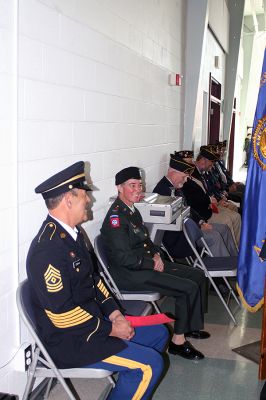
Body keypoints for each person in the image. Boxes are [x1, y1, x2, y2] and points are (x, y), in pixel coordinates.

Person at [26, 161, 169, 400]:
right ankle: (136, 377)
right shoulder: (48, 248)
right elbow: (62, 314)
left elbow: (95, 280)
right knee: (150, 364)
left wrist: (115, 313)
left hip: (93, 325)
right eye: (84, 195)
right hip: (71, 340)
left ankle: (130, 388)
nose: (90, 201)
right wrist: (111, 328)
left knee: (159, 333)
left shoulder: (74, 234)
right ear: (68, 200)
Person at [101, 166, 211, 361]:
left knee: (197, 275)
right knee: (187, 288)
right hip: (130, 274)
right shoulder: (116, 218)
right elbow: (124, 258)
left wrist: (157, 255)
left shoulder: (131, 210)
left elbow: (146, 241)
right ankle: (178, 342)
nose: (138, 189)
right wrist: (151, 263)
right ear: (119, 188)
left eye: (140, 185)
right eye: (132, 185)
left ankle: (189, 326)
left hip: (144, 264)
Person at [153, 154, 238, 258]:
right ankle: (224, 269)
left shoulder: (173, 187)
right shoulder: (162, 191)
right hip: (179, 238)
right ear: (173, 173)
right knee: (214, 236)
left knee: (224, 229)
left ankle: (235, 260)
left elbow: (187, 209)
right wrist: (198, 226)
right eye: (184, 177)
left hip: (188, 228)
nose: (185, 180)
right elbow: (174, 222)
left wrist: (201, 222)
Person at [182, 148, 241, 248]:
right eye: (189, 162)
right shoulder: (187, 177)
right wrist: (211, 201)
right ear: (204, 160)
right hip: (202, 214)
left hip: (208, 207)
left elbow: (206, 192)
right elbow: (192, 201)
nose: (191, 164)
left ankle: (237, 248)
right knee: (228, 220)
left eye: (191, 161)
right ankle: (232, 251)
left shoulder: (198, 173)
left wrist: (215, 200)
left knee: (236, 216)